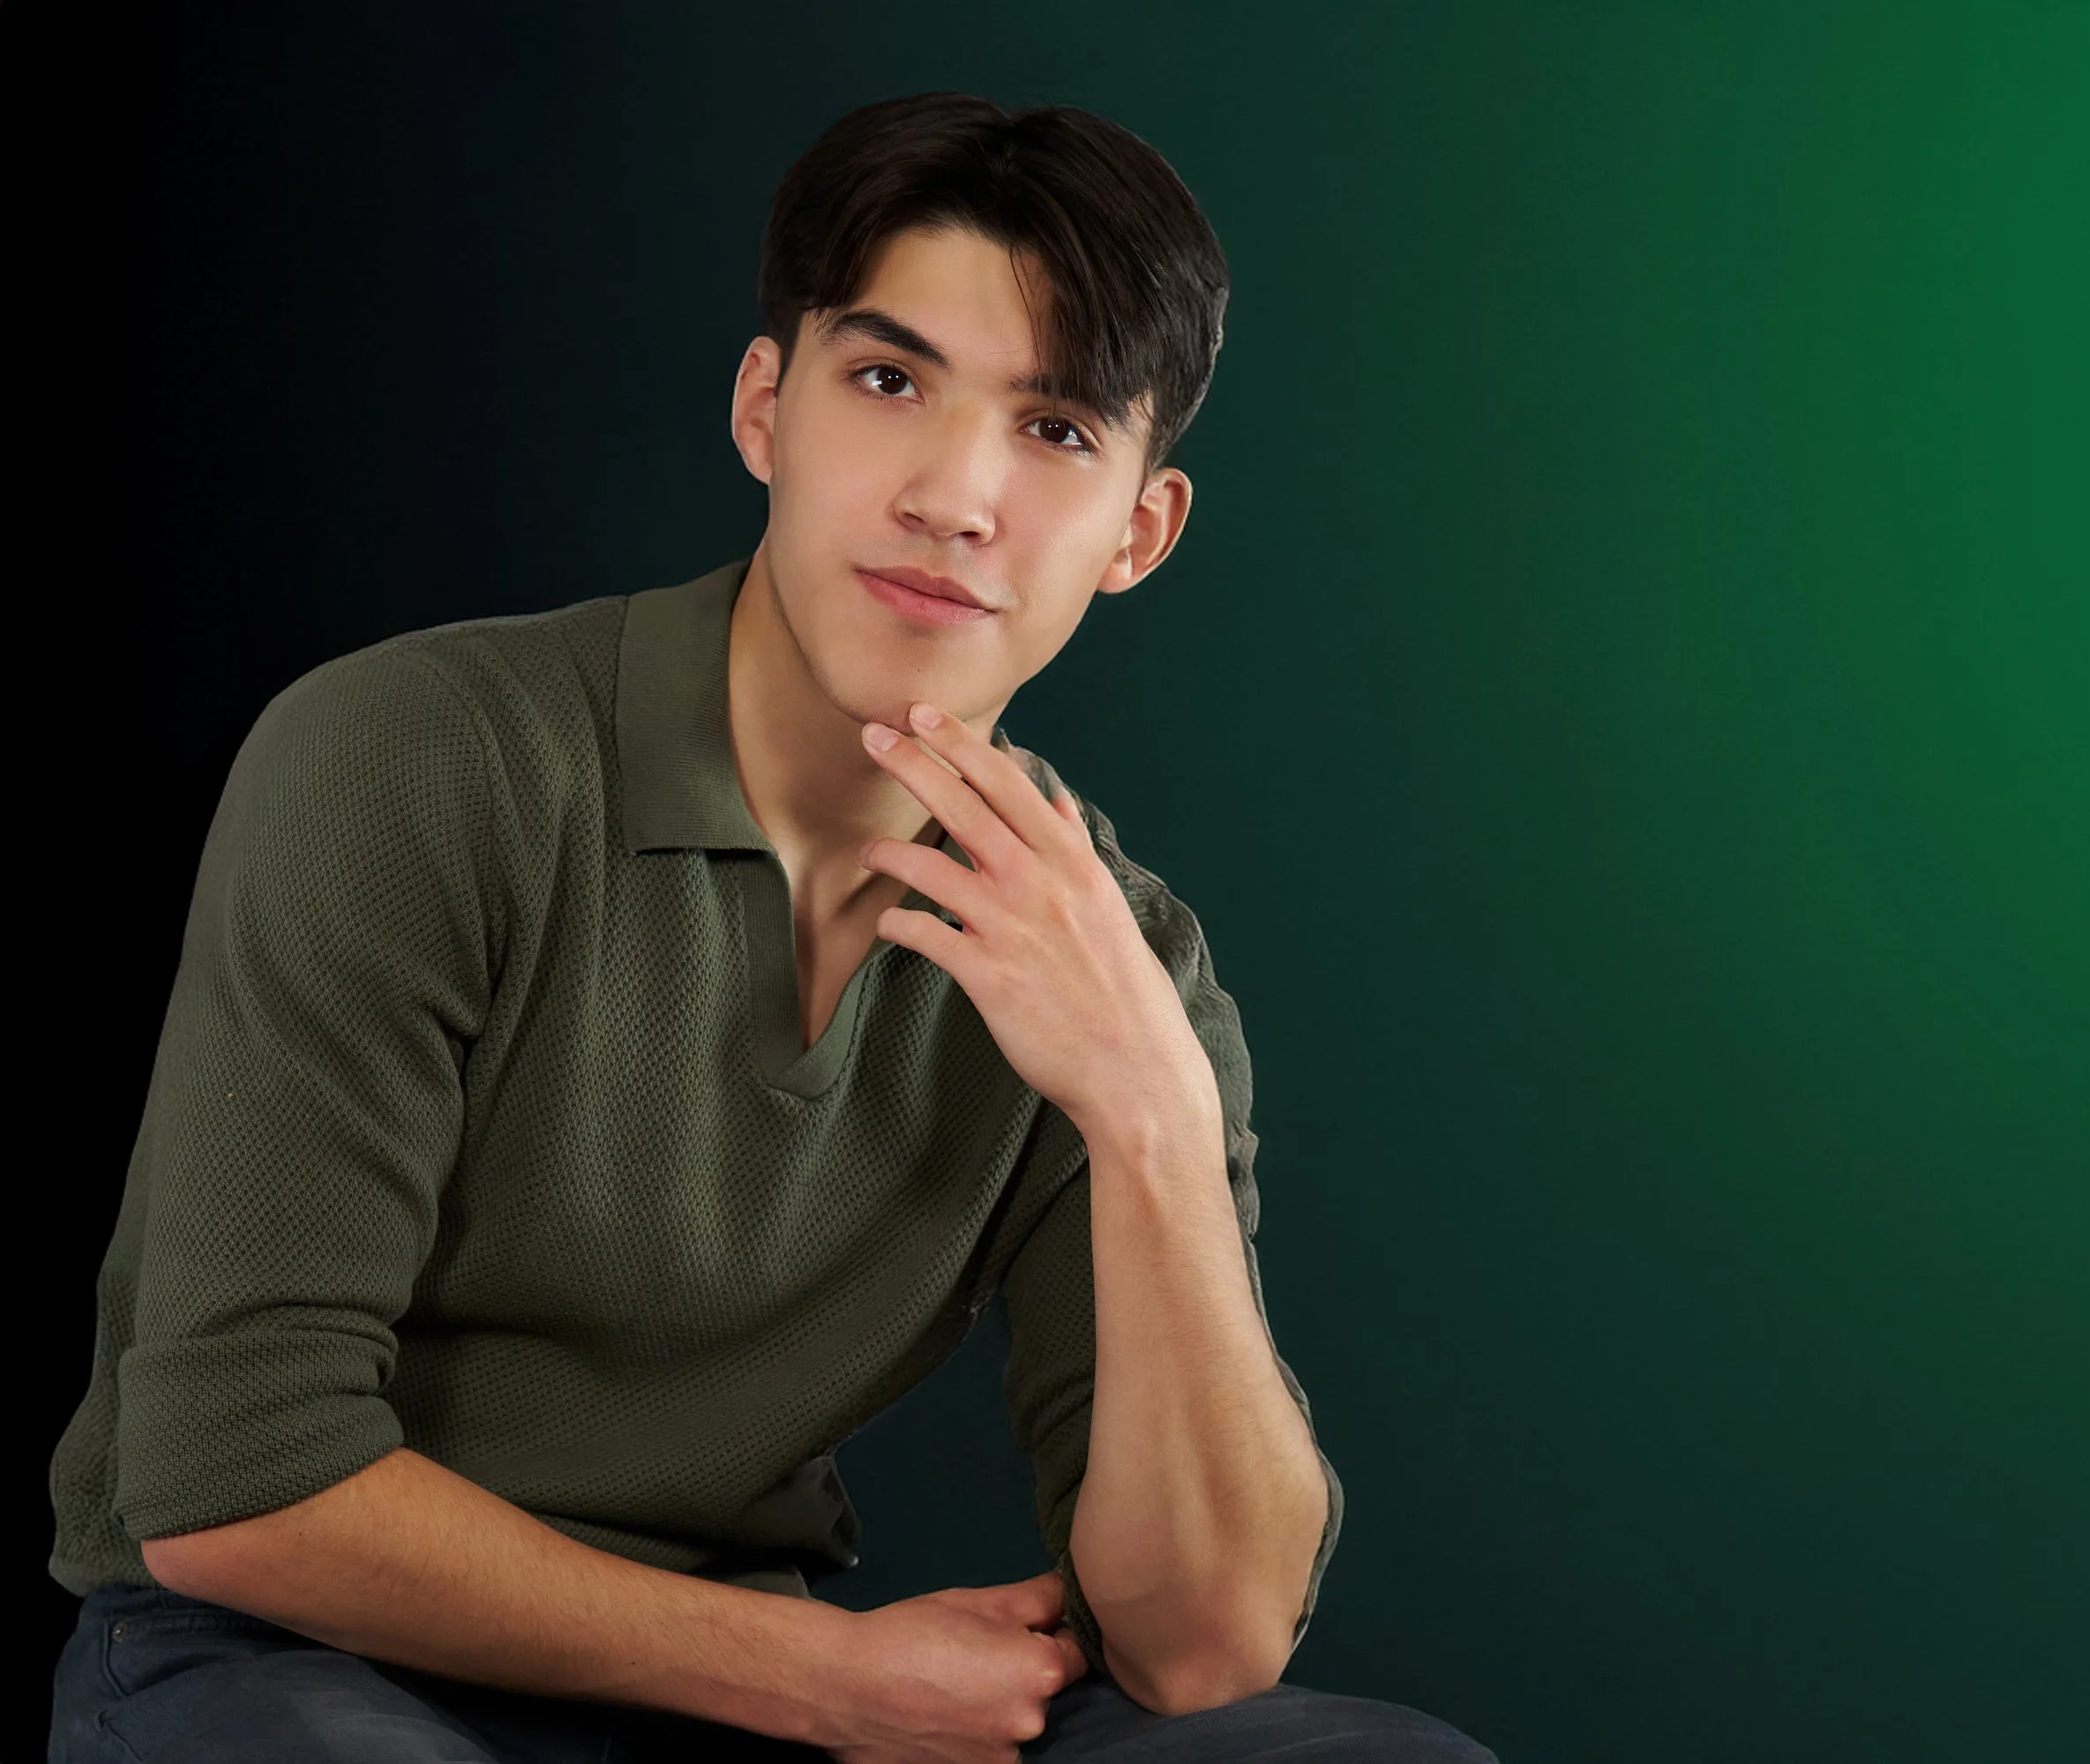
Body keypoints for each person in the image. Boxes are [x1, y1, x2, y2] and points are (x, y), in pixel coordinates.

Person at [47, 92, 1496, 1762]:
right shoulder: (422, 758)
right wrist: (823, 1679)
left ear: (1140, 535)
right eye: (890, 384)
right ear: (766, 410)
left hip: (737, 1697)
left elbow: (1206, 1645)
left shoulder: (1117, 960)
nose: (956, 496)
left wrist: (1151, 1113)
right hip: (284, 1665)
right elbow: (233, 1489)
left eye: (1059, 431)